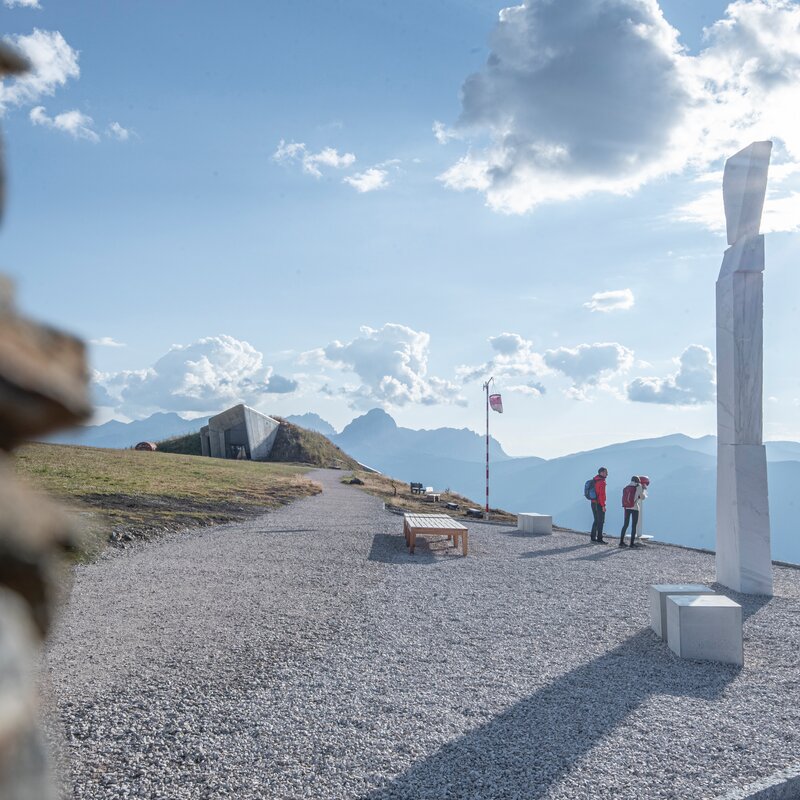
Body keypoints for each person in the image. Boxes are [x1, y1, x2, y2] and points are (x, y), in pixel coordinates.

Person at [619, 476, 645, 547]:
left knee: (625, 525)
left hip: (627, 508)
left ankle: (621, 542)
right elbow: (642, 497)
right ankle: (632, 543)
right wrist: (643, 490)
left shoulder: (626, 487)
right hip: (635, 508)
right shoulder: (638, 486)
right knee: (634, 525)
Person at [590, 467, 608, 543]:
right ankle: (599, 539)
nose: (607, 474)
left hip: (593, 502)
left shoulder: (594, 480)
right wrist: (603, 505)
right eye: (605, 472)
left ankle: (593, 537)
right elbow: (601, 495)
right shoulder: (602, 482)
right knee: (601, 521)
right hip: (599, 504)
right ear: (601, 473)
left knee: (596, 520)